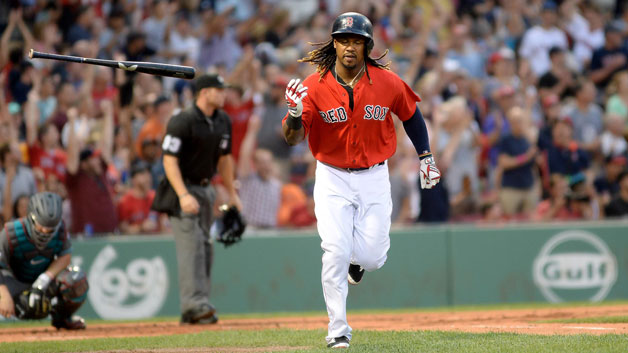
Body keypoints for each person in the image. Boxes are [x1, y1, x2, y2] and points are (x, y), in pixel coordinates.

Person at [281, 12, 440, 348]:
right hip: (332, 177)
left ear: (367, 46)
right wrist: (294, 116)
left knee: (372, 257)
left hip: (374, 176)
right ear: (334, 43)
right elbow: (292, 138)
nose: (349, 46)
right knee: (334, 250)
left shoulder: (387, 81)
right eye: (343, 39)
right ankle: (337, 329)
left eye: (356, 40)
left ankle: (358, 262)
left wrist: (426, 156)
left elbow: (412, 115)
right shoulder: (313, 86)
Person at [151, 73, 241, 325]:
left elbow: (224, 159)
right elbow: (169, 160)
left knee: (205, 247)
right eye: (219, 89)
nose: (223, 94)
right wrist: (182, 195)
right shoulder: (183, 120)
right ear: (204, 93)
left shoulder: (223, 120)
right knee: (192, 247)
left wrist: (232, 194)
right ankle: (194, 304)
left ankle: (197, 305)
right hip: (182, 188)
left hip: (205, 188)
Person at [0, 192, 88, 330]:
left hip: (41, 282)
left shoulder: (61, 230)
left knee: (76, 280)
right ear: (31, 218)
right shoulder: (11, 232)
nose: (45, 231)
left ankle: (62, 319)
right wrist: (3, 295)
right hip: (14, 284)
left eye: (50, 229)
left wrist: (42, 281)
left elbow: (65, 257)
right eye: (41, 226)